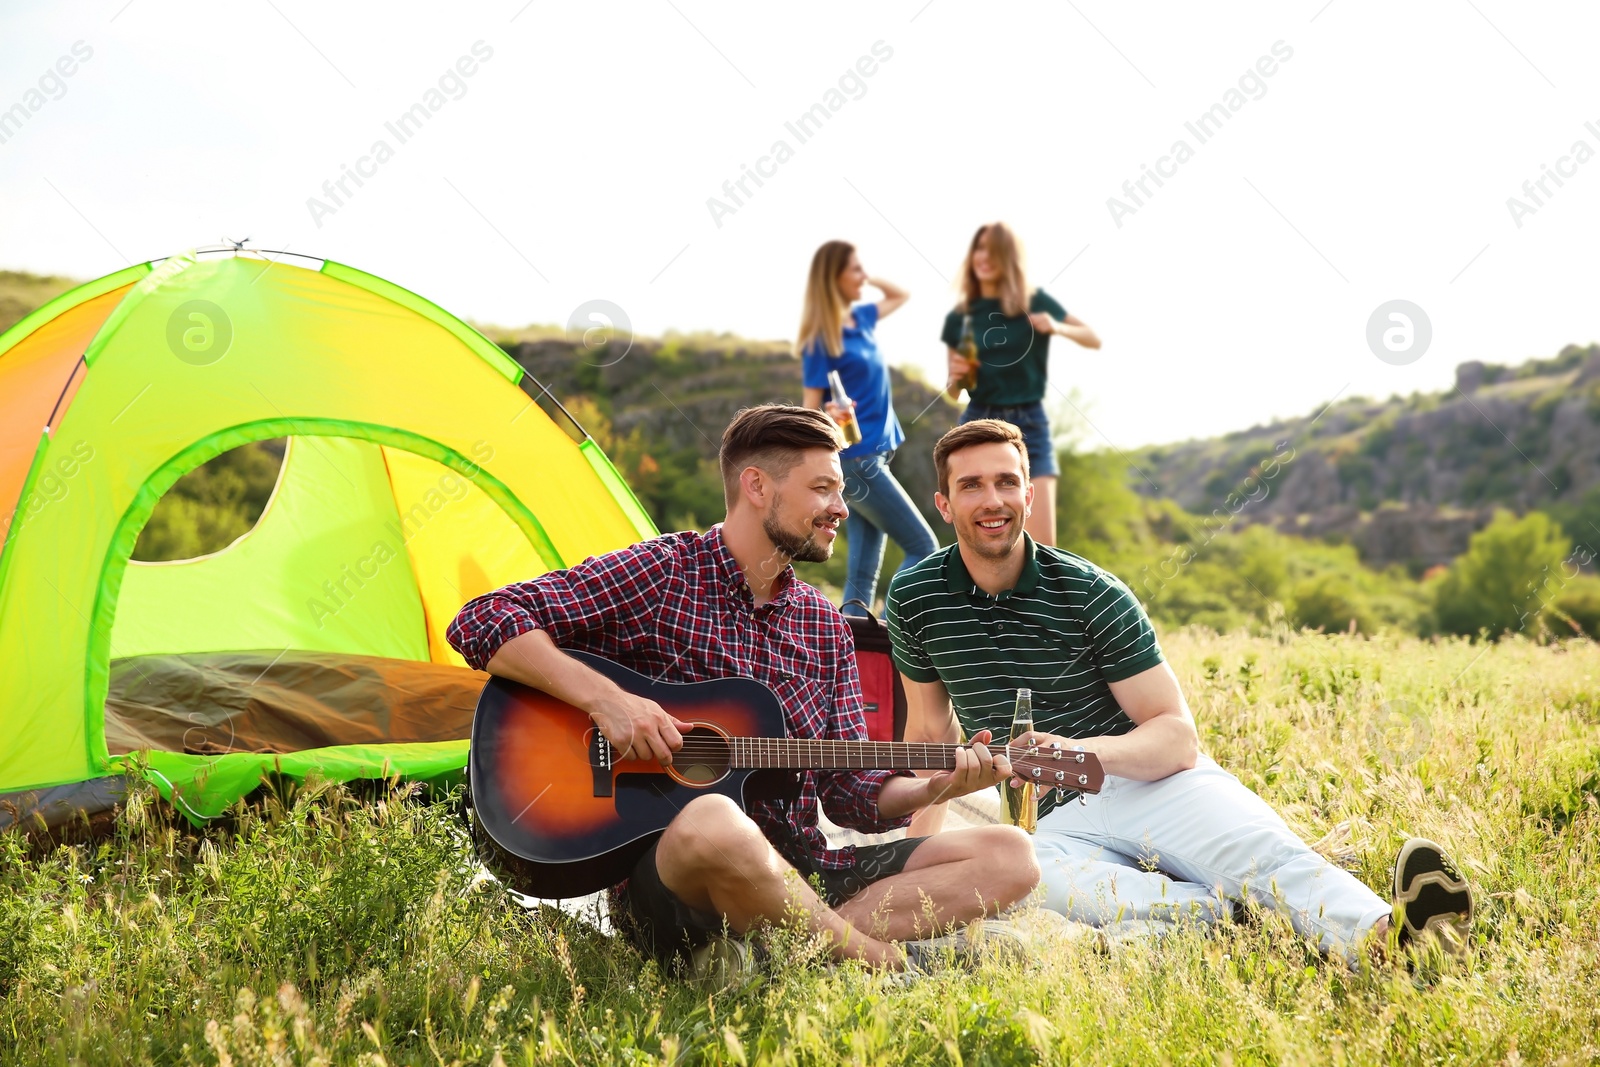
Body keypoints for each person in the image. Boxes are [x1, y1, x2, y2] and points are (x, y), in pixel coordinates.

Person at [447, 405, 1038, 977]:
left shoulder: (823, 622)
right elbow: (483, 618)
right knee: (716, 819)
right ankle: (878, 962)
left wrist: (935, 786)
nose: (842, 509)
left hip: (804, 867)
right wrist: (609, 701)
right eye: (824, 489)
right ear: (757, 485)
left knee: (1012, 854)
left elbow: (849, 796)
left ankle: (795, 951)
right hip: (681, 881)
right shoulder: (665, 572)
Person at [886, 419, 1475, 964]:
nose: (992, 500)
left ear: (1028, 495)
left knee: (1262, 855)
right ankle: (1230, 913)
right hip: (1049, 825)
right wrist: (909, 861)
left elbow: (1176, 738)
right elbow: (931, 736)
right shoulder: (915, 597)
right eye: (971, 486)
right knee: (1033, 882)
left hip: (1148, 783)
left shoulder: (1093, 592)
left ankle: (1392, 941)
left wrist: (1077, 753)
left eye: (1006, 482)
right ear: (943, 504)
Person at [798, 240, 938, 617]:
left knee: (862, 575)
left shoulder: (862, 318)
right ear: (833, 278)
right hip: (857, 459)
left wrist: (866, 275)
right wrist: (827, 415)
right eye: (854, 270)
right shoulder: (819, 338)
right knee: (924, 548)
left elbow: (901, 293)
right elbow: (809, 410)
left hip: (877, 452)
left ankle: (851, 652)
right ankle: (898, 633)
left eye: (863, 269)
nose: (862, 276)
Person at [941, 222, 1101, 548]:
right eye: (979, 248)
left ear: (1009, 258)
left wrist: (1057, 327)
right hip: (978, 420)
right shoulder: (963, 316)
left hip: (1030, 423)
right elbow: (954, 391)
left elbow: (1092, 338)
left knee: (1044, 546)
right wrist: (957, 378)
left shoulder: (1034, 301)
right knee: (979, 539)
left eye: (993, 250)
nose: (984, 257)